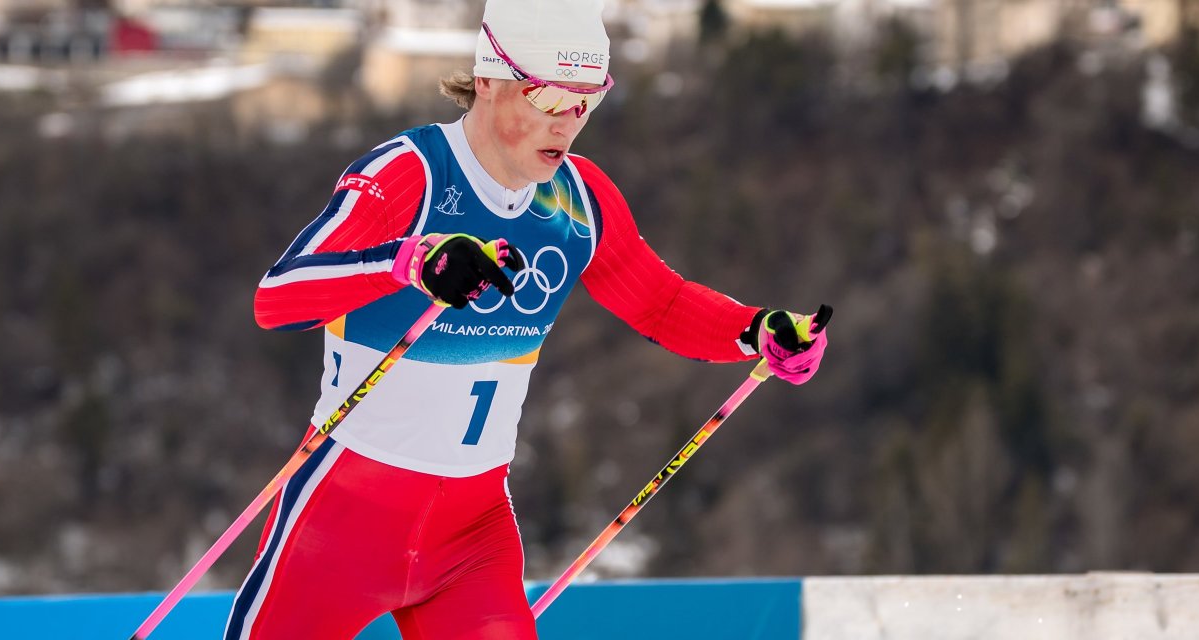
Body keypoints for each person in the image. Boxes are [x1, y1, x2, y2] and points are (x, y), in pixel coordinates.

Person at [226, 1, 829, 638]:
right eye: (548, 97)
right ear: (487, 79)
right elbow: (278, 296)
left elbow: (660, 301)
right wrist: (410, 263)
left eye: (587, 102)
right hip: (344, 519)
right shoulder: (410, 173)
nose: (568, 124)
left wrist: (758, 330)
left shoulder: (578, 202)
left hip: (472, 536)